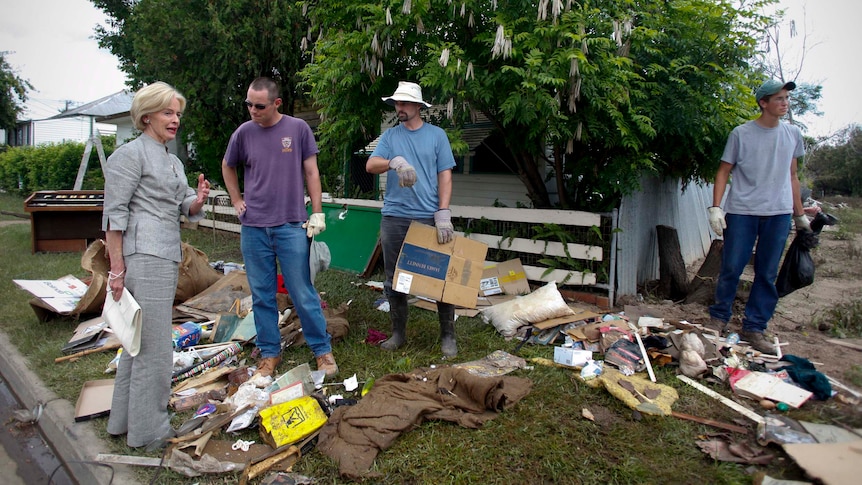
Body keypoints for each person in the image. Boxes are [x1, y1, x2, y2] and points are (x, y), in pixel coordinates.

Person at [103, 81, 210, 449]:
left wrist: (197, 200)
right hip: (143, 254)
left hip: (167, 252)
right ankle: (150, 432)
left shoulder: (172, 160)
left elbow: (185, 208)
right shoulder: (130, 155)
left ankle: (122, 422)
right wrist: (116, 270)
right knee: (155, 349)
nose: (175, 119)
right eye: (167, 112)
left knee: (138, 343)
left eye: (177, 113)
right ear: (146, 116)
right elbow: (113, 217)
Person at [221, 77, 337, 377]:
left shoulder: (297, 129)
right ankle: (269, 355)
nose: (252, 110)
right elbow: (227, 165)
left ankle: (322, 351)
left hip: (290, 225)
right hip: (254, 227)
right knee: (262, 294)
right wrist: (236, 200)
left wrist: (318, 212)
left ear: (277, 103)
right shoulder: (243, 133)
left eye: (259, 105)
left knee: (302, 291)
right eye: (248, 104)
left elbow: (311, 171)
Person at [707, 79, 811, 353]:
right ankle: (718, 318)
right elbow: (723, 171)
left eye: (786, 98)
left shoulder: (792, 134)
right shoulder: (741, 134)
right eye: (779, 98)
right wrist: (716, 207)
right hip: (742, 211)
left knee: (766, 273)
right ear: (763, 103)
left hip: (778, 213)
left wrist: (799, 216)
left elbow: (793, 175)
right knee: (731, 267)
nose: (785, 103)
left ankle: (754, 327)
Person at [366, 81, 458, 357]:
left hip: (428, 217)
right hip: (395, 217)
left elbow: (445, 175)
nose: (399, 108)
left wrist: (443, 213)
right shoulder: (391, 136)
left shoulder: (437, 136)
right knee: (395, 278)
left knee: (440, 277)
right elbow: (371, 165)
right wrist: (394, 162)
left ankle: (448, 336)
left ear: (419, 106)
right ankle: (398, 334)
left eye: (405, 103)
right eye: (397, 103)